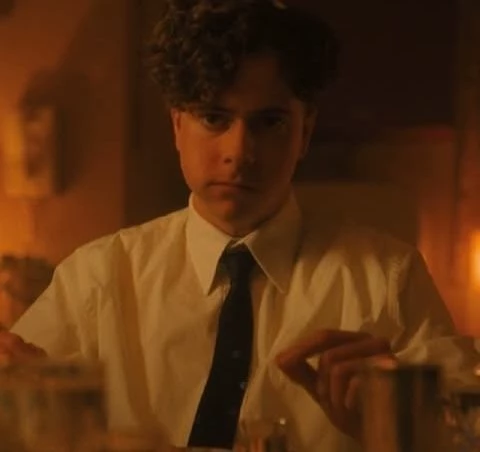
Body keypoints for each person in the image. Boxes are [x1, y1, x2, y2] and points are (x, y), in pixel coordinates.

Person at [0, 1, 478, 451]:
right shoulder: (97, 279)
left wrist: (392, 428)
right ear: (177, 125)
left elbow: (465, 432)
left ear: (305, 132)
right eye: (214, 118)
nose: (239, 152)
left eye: (269, 123)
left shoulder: (388, 280)